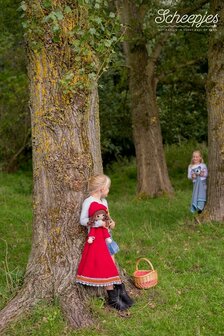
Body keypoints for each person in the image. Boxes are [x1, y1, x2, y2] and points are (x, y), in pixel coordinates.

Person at [76, 174, 133, 311]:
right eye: (108, 188)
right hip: (97, 239)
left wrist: (111, 223)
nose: (108, 190)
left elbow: (108, 217)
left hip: (107, 238)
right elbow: (83, 220)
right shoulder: (88, 202)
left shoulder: (104, 202)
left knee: (112, 264)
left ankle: (120, 291)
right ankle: (112, 297)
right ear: (101, 189)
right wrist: (98, 223)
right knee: (107, 266)